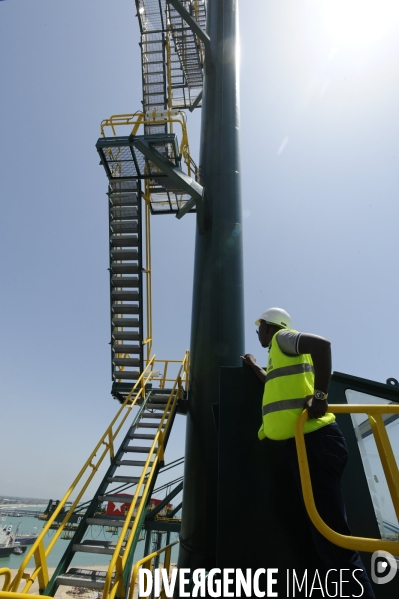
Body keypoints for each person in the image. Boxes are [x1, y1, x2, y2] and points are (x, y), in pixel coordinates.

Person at [241, 307, 376, 599]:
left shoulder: (283, 338)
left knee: (333, 538)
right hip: (305, 444)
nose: (258, 334)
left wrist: (320, 396)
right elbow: (271, 383)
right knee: (324, 535)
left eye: (258, 329)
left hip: (317, 441)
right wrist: (253, 365)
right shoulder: (277, 356)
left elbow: (321, 344)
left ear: (267, 326)